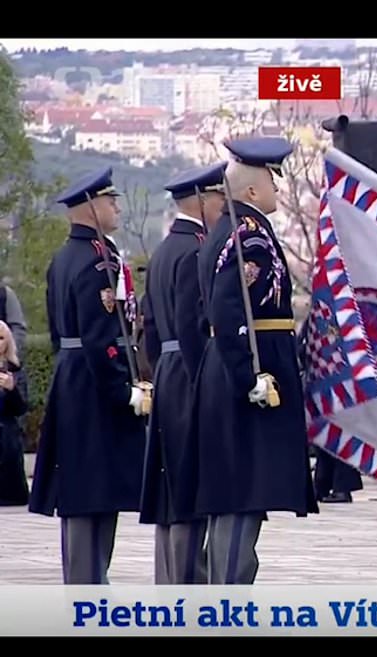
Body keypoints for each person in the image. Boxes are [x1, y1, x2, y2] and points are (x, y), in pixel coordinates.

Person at [192, 136, 318, 584]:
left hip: (237, 375)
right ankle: (227, 604)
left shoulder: (232, 230)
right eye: (272, 182)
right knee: (241, 498)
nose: (278, 190)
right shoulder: (246, 236)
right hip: (247, 380)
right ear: (251, 192)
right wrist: (251, 377)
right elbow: (228, 314)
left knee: (241, 497)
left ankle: (227, 594)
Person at [29, 166, 151, 584]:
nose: (116, 206)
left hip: (73, 378)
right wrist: (123, 390)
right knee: (91, 490)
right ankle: (87, 587)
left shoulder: (66, 257)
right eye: (109, 200)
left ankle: (88, 581)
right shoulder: (97, 264)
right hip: (94, 386)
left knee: (89, 487)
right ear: (90, 208)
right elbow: (103, 338)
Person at [139, 161, 227, 584]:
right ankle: (189, 588)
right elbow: (195, 327)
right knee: (190, 489)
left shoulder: (162, 252)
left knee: (171, 488)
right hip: (189, 375)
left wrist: (162, 372)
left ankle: (170, 581)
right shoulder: (195, 250)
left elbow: (149, 329)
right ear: (203, 200)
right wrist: (200, 381)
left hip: (167, 372)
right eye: (218, 199)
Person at [0, 321, 28, 507]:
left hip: (6, 435)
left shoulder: (15, 369)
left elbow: (22, 408)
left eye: (1, 338)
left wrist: (11, 389)